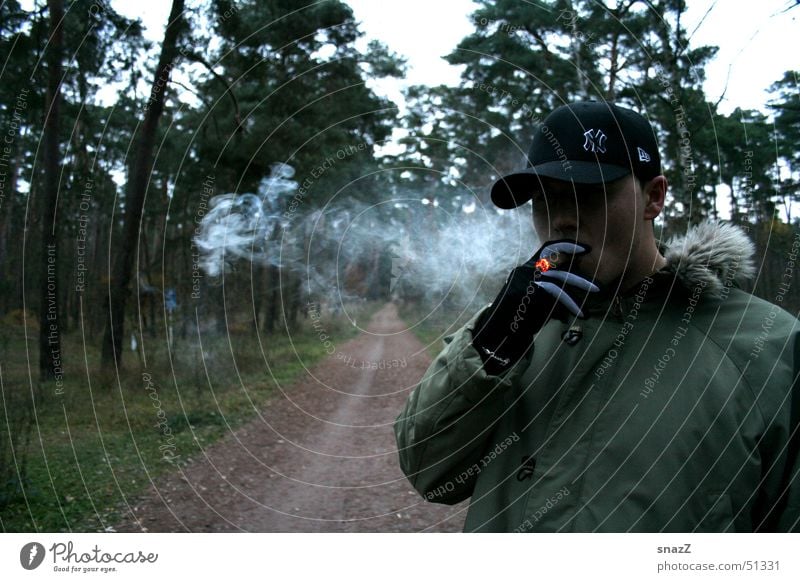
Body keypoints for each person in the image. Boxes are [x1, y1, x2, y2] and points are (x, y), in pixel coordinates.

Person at [394, 101, 800, 532]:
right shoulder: (513, 328)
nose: (563, 219)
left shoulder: (769, 346)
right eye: (545, 199)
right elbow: (430, 473)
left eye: (589, 194)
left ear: (654, 197)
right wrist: (493, 344)